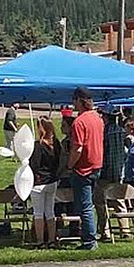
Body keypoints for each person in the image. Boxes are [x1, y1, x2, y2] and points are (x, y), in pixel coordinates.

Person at [67, 88, 103, 249]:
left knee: (85, 206)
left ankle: (89, 241)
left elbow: (78, 149)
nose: (73, 103)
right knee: (90, 204)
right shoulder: (97, 118)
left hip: (83, 168)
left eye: (74, 100)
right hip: (97, 165)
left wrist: (70, 164)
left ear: (79, 100)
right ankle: (90, 236)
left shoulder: (79, 122)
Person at [28, 116, 61, 247]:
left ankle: (40, 240)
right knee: (50, 212)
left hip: (39, 182)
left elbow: (34, 165)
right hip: (52, 180)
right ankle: (52, 239)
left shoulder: (38, 145)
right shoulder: (56, 143)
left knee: (38, 213)